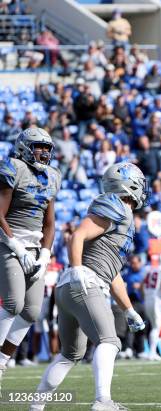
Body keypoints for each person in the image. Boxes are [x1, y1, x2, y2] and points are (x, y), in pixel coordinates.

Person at [30, 162, 146, 411]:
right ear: (130, 184)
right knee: (110, 341)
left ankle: (36, 406)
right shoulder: (117, 206)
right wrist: (77, 267)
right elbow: (77, 236)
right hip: (83, 282)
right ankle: (103, 401)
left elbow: (112, 272)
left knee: (70, 354)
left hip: (71, 287)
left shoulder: (123, 217)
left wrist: (128, 310)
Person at [0, 128, 61, 391]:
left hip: (35, 248)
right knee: (13, 303)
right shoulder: (13, 168)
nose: (44, 152)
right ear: (25, 146)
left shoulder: (51, 176)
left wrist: (45, 254)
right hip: (7, 241)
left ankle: (3, 360)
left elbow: (49, 224)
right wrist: (16, 246)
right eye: (39, 147)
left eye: (47, 148)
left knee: (33, 311)